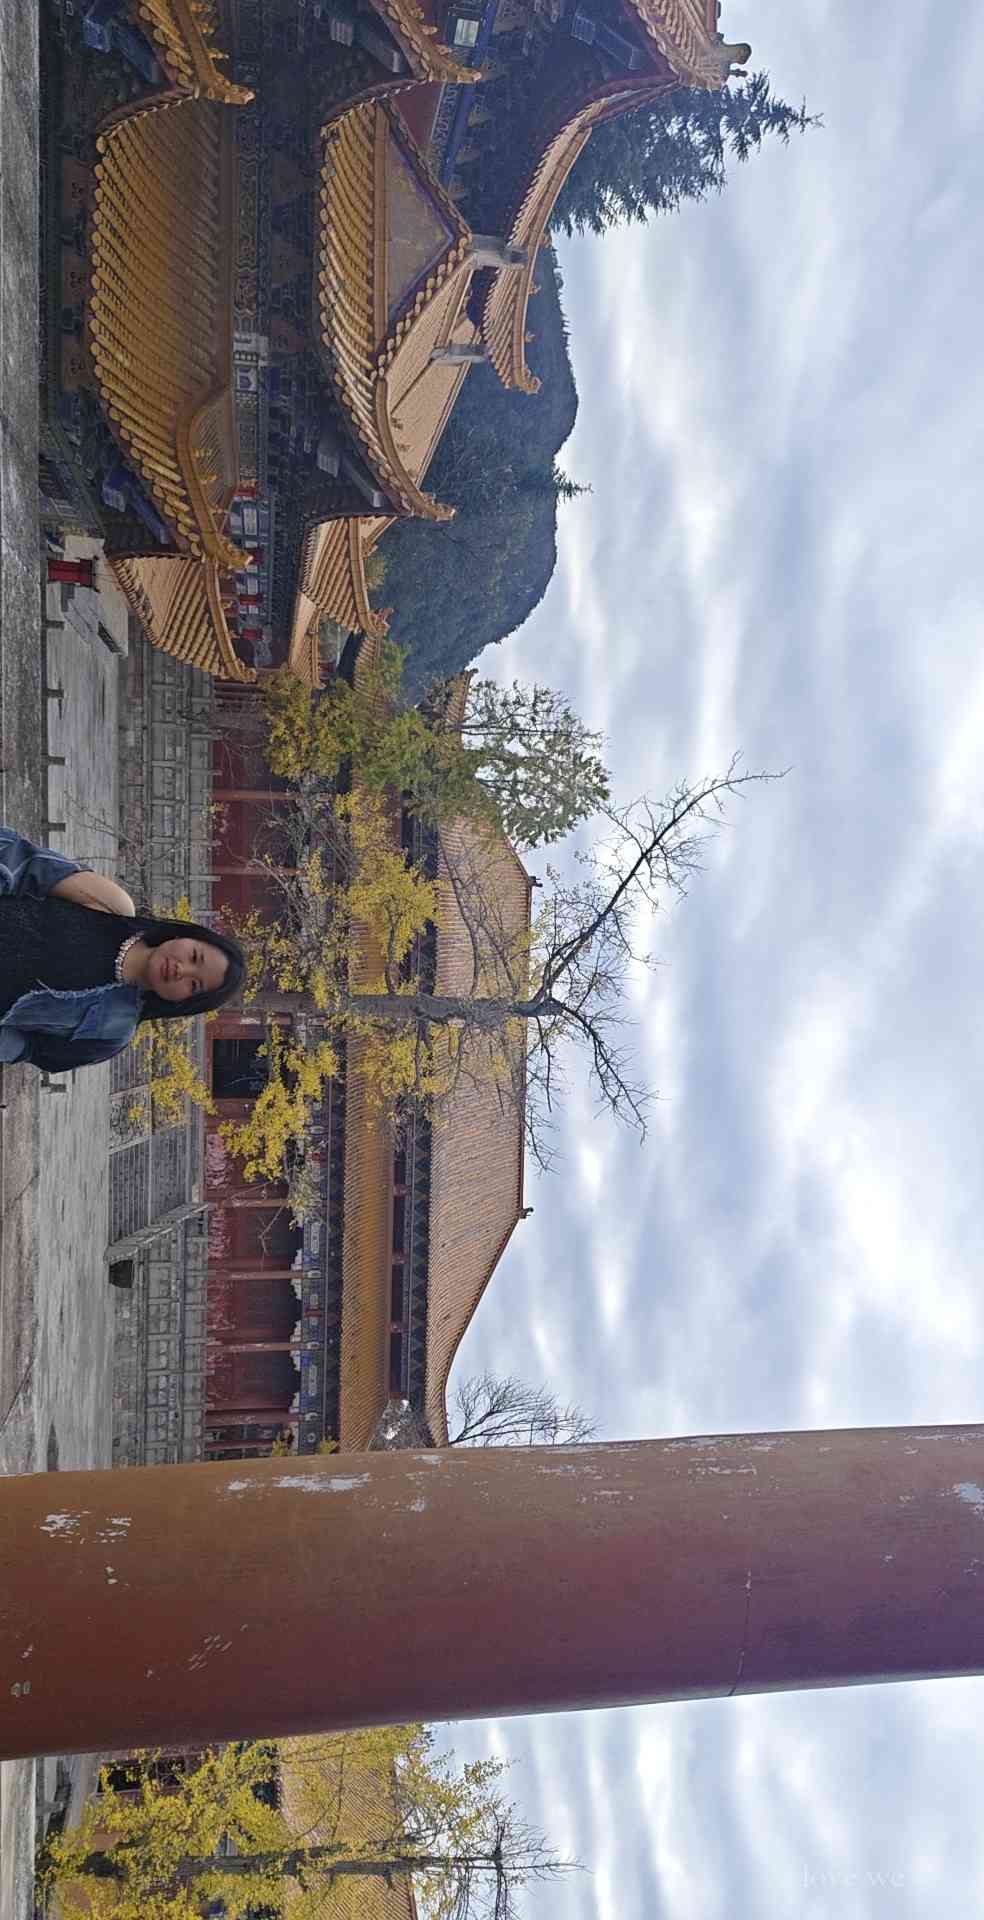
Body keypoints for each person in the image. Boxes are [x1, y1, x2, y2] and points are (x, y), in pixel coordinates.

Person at [0, 825, 244, 1075]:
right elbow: (26, 864)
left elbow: (32, 1050)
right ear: (188, 937)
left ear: (184, 1003)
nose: (182, 970)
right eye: (194, 956)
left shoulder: (113, 1031)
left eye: (194, 985)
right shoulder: (113, 906)